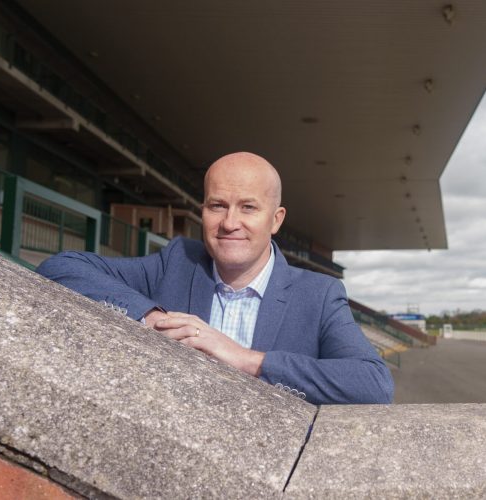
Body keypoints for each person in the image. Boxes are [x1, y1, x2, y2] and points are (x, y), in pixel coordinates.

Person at [37, 152, 394, 405]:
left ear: (276, 219)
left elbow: (373, 384)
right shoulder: (177, 262)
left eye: (248, 207)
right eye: (217, 205)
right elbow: (63, 267)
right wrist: (154, 319)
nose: (229, 222)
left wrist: (247, 360)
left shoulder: (318, 295)